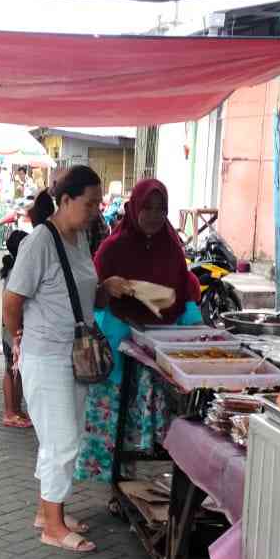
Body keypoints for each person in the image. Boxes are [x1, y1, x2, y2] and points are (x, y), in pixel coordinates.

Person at [4, 166, 133, 552]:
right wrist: (19, 338)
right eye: (90, 202)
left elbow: (83, 296)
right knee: (62, 441)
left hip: (75, 355)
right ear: (65, 200)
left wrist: (107, 288)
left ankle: (47, 512)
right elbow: (12, 300)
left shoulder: (79, 239)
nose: (96, 210)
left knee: (62, 438)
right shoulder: (40, 242)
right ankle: (54, 527)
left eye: (98, 203)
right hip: (46, 357)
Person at [76, 178, 204, 483]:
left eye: (161, 209)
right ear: (135, 208)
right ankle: (114, 485)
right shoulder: (112, 248)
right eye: (148, 207)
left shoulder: (172, 248)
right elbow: (93, 297)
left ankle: (132, 485)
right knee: (112, 419)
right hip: (118, 346)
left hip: (156, 349)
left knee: (141, 420)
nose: (154, 215)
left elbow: (183, 292)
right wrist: (108, 288)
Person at [0, 231, 33, 429]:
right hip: (12, 329)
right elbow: (11, 306)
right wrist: (15, 332)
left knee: (17, 370)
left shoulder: (16, 270)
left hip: (16, 328)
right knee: (10, 369)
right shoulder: (16, 274)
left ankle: (16, 409)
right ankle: (9, 411)